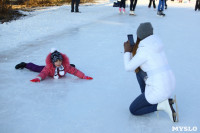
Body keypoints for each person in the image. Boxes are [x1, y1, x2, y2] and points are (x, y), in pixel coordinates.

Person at [123, 22, 178, 122]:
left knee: (133, 109)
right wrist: (132, 52)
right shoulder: (156, 44)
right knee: (138, 71)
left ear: (139, 35)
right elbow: (136, 65)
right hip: (170, 85)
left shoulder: (144, 50)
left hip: (159, 90)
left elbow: (128, 67)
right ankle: (149, 100)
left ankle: (162, 105)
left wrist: (127, 51)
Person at [15, 48, 93, 82]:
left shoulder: (65, 66)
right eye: (57, 61)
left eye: (60, 61)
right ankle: (25, 64)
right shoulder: (48, 67)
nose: (59, 63)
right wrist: (38, 78)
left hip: (62, 71)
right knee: (37, 68)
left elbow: (75, 72)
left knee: (71, 68)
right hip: (50, 72)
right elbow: (43, 73)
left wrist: (83, 76)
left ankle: (70, 65)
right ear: (53, 62)